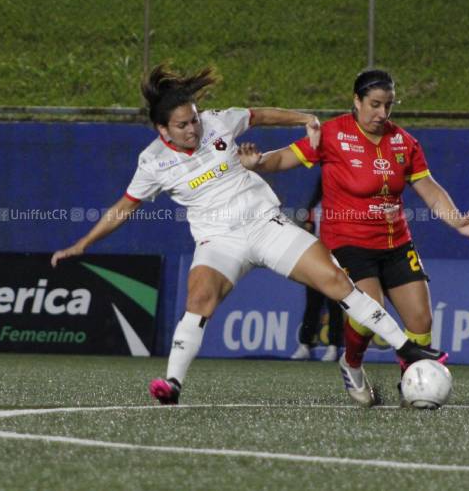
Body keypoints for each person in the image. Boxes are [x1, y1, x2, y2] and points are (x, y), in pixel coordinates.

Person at [51, 63, 445, 406]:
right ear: (162, 129)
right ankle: (172, 383)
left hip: (265, 224)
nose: (193, 128)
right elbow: (125, 205)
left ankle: (404, 346)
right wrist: (83, 244)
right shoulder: (152, 162)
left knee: (335, 281)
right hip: (219, 241)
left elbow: (259, 115)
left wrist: (303, 118)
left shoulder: (218, 121)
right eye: (183, 125)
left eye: (194, 119)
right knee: (200, 297)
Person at [238, 68, 469, 407]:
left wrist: (458, 221)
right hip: (349, 242)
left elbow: (428, 188)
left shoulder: (404, 142)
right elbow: (285, 158)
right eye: (375, 104)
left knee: (421, 320)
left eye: (389, 106)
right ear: (356, 101)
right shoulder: (332, 134)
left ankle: (412, 386)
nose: (382, 114)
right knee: (370, 312)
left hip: (396, 242)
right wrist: (258, 162)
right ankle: (351, 363)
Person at [290, 178, 343, 362]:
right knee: (312, 305)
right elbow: (307, 231)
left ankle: (333, 347)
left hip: (338, 262)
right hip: (317, 262)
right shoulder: (315, 208)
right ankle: (304, 345)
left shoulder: (345, 206)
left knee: (335, 306)